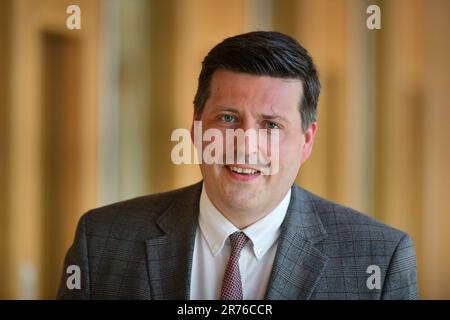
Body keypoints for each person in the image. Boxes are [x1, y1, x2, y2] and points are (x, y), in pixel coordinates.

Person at [58, 31, 418, 300]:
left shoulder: (379, 261)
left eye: (271, 125)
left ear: (306, 140)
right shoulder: (102, 240)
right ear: (197, 126)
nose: (246, 145)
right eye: (228, 118)